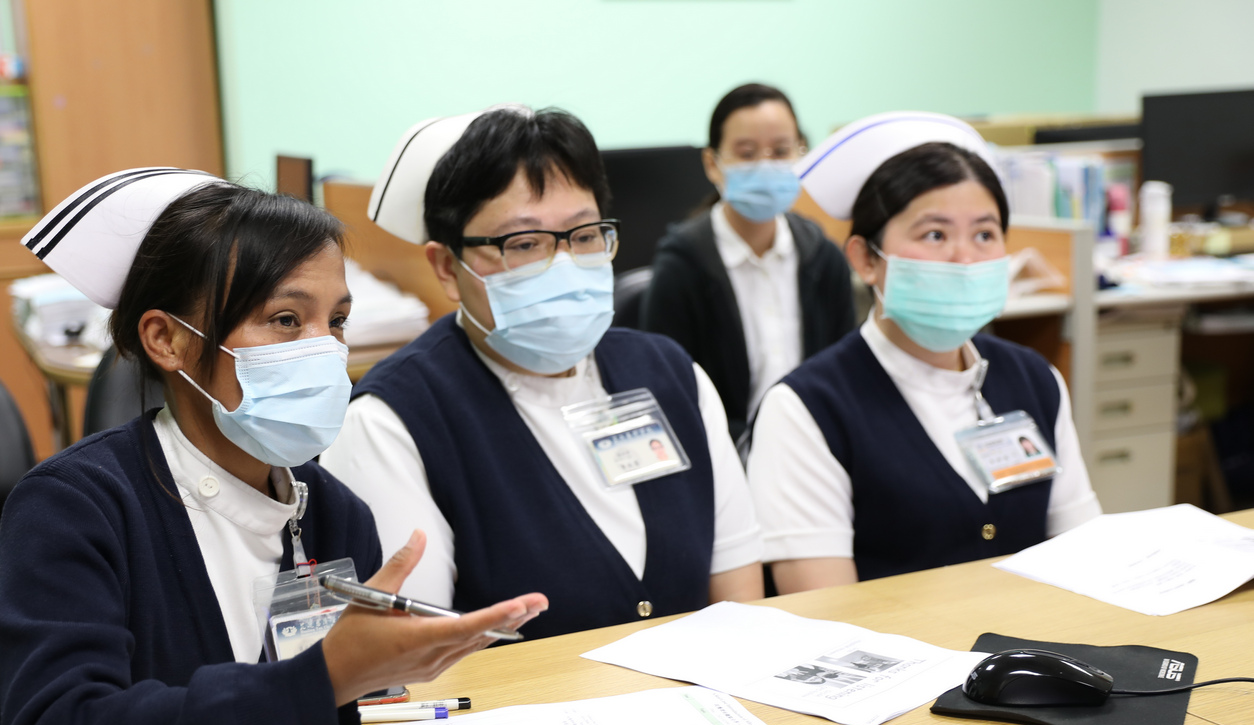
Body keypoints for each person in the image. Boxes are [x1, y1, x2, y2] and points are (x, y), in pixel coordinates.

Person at [0, 170, 545, 725]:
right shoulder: (75, 506)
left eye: (336, 321)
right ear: (168, 340)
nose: (324, 351)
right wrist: (323, 680)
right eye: (286, 321)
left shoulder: (335, 511)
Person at [322, 106, 763, 638]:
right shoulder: (394, 421)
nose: (563, 264)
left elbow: (739, 604)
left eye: (583, 236)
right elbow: (415, 659)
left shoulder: (672, 376)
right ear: (447, 267)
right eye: (524, 244)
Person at [747, 113, 1102, 594]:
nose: (965, 258)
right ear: (866, 259)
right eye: (935, 235)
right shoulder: (806, 410)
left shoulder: (1034, 378)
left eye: (984, 234)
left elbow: (1087, 558)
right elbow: (824, 616)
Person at [640, 83, 855, 445]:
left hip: (819, 444)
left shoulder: (823, 257)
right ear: (713, 164)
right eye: (747, 153)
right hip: (725, 452)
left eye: (781, 151)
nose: (766, 165)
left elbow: (845, 373)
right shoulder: (682, 266)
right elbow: (669, 389)